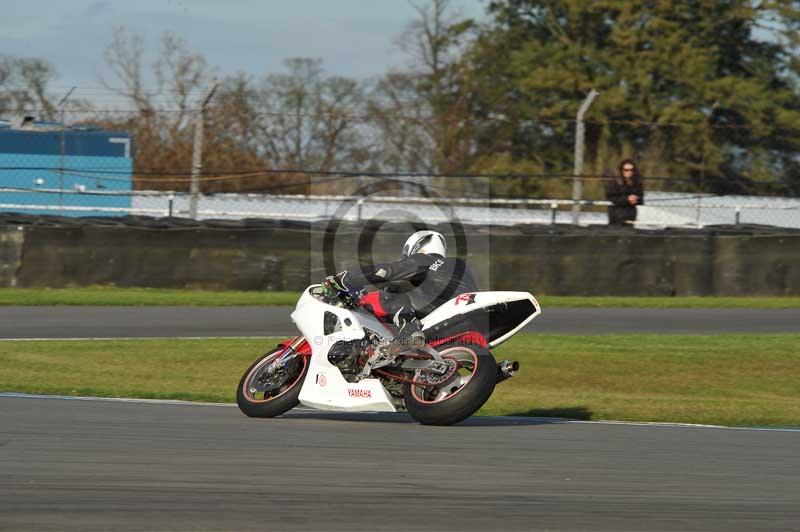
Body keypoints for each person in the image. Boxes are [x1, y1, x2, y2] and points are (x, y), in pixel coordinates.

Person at [323, 230, 479, 355]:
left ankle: (409, 332)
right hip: (466, 317)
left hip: (445, 311)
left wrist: (346, 278)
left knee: (392, 288)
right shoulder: (455, 265)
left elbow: (385, 272)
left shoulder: (424, 260)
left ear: (418, 246)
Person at [605, 159, 644, 226]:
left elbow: (641, 198)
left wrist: (636, 199)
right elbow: (611, 197)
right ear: (621, 170)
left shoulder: (636, 183)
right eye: (626, 170)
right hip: (617, 215)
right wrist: (627, 199)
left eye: (632, 170)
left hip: (631, 215)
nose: (629, 172)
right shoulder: (614, 182)